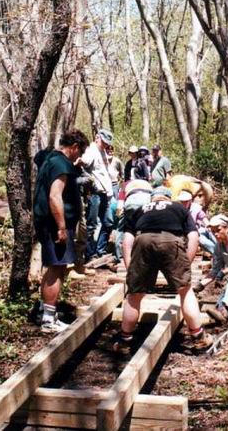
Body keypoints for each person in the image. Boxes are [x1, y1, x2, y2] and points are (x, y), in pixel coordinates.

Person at [116, 186, 213, 352]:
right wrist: (186, 263)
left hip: (143, 241)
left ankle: (125, 342)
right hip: (171, 241)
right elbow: (193, 236)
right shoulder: (179, 208)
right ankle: (198, 337)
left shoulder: (140, 209)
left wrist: (129, 266)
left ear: (153, 198)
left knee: (134, 295)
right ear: (168, 198)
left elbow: (127, 239)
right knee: (185, 291)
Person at [32, 130, 89, 332]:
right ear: (74, 147)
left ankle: (45, 310)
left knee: (55, 267)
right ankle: (48, 320)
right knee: (57, 268)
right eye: (79, 151)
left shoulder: (52, 159)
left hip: (47, 222)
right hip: (55, 225)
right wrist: (62, 227)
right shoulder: (61, 164)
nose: (79, 155)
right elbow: (55, 197)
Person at [79, 128, 114, 261]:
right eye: (104, 142)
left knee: (108, 223)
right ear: (97, 138)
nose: (105, 145)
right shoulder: (92, 150)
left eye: (107, 143)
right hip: (95, 193)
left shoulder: (103, 152)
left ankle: (100, 250)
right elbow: (84, 162)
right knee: (92, 224)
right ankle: (89, 254)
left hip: (105, 194)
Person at [114, 178, 153, 261]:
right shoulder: (146, 183)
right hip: (147, 201)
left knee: (123, 229)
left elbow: (120, 203)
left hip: (132, 202)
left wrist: (118, 217)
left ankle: (120, 256)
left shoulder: (125, 185)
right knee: (147, 229)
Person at [177, 190, 216, 254]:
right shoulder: (178, 209)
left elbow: (203, 218)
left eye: (186, 201)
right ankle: (217, 253)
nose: (184, 203)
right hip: (188, 232)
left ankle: (223, 249)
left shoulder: (195, 208)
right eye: (182, 201)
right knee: (202, 241)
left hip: (199, 228)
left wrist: (209, 226)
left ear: (190, 201)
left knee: (212, 233)